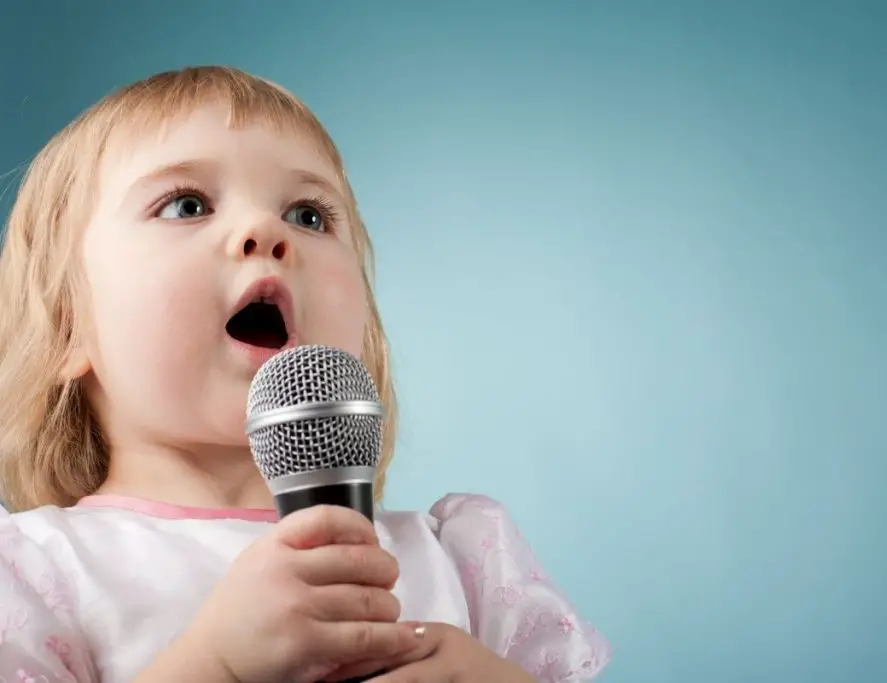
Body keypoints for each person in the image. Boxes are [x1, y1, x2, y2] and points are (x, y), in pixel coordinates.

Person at [0, 66, 610, 683]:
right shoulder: (36, 574)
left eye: (309, 215)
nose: (266, 231)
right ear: (67, 320)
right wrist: (216, 668)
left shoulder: (462, 565)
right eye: (187, 205)